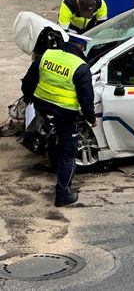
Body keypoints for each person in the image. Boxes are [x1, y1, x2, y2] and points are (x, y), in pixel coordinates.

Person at [20, 32, 96, 207]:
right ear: (83, 47)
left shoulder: (47, 55)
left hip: (42, 108)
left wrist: (29, 98)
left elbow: (28, 82)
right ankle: (62, 194)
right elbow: (86, 100)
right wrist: (91, 118)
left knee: (55, 142)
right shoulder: (81, 67)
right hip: (66, 115)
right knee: (68, 154)